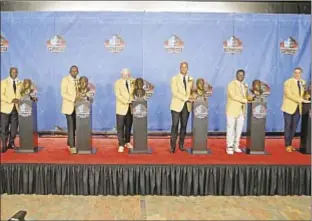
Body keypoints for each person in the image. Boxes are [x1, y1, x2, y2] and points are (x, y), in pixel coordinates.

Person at [281, 67, 310, 152]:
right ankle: (287, 145)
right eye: (296, 73)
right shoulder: (288, 82)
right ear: (293, 73)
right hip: (288, 107)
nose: (297, 74)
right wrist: (301, 100)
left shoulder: (303, 82)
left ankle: (290, 144)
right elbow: (288, 95)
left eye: (299, 73)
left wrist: (306, 97)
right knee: (288, 126)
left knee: (294, 127)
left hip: (298, 108)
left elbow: (303, 94)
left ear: (301, 73)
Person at [170, 61, 193, 153]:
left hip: (186, 106)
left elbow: (192, 91)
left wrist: (195, 96)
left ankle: (181, 145)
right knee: (175, 125)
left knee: (184, 126)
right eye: (182, 67)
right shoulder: (174, 78)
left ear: (188, 68)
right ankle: (172, 146)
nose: (184, 69)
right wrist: (186, 98)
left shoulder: (191, 79)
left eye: (185, 67)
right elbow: (175, 92)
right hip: (176, 105)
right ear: (180, 68)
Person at [226, 69, 249, 155]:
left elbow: (246, 96)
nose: (241, 76)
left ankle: (236, 145)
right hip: (232, 110)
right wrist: (244, 100)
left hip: (241, 111)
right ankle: (229, 147)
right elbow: (233, 96)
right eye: (239, 75)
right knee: (230, 129)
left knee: (239, 129)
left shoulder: (245, 85)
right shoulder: (231, 84)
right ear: (236, 75)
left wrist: (253, 98)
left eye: (242, 75)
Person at [0, 67, 22, 153]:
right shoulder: (3, 82)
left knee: (14, 129)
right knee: (4, 128)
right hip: (5, 109)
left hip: (15, 109)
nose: (14, 73)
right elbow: (1, 95)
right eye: (13, 72)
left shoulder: (20, 83)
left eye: (16, 72)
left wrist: (31, 96)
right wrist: (11, 100)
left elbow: (22, 94)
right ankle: (4, 144)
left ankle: (11, 143)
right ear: (9, 72)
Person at [114, 68, 135, 153]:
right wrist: (127, 101)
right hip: (121, 108)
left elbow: (137, 90)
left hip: (130, 109)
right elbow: (118, 95)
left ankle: (127, 142)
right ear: (121, 74)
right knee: (120, 127)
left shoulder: (133, 81)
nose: (126, 76)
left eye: (128, 74)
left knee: (129, 126)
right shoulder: (117, 83)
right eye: (125, 74)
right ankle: (121, 144)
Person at [61, 65, 80, 154]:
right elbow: (63, 93)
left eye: (75, 71)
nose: (74, 73)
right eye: (72, 71)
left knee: (75, 127)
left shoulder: (80, 80)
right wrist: (73, 98)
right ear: (69, 72)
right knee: (71, 126)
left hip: (78, 108)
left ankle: (69, 142)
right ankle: (72, 146)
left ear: (78, 72)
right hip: (68, 107)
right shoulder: (65, 80)